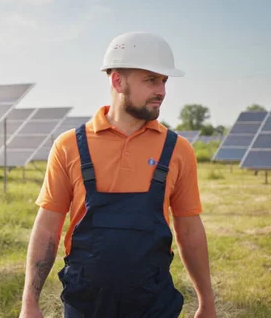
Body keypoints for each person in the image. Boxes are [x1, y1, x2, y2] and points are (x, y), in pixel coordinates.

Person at [19, 32, 216, 318]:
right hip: (85, 305)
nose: (161, 90)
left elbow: (189, 231)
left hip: (153, 304)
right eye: (150, 79)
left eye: (164, 81)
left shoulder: (178, 150)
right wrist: (29, 303)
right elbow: (48, 229)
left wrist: (206, 303)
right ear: (117, 81)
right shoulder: (69, 146)